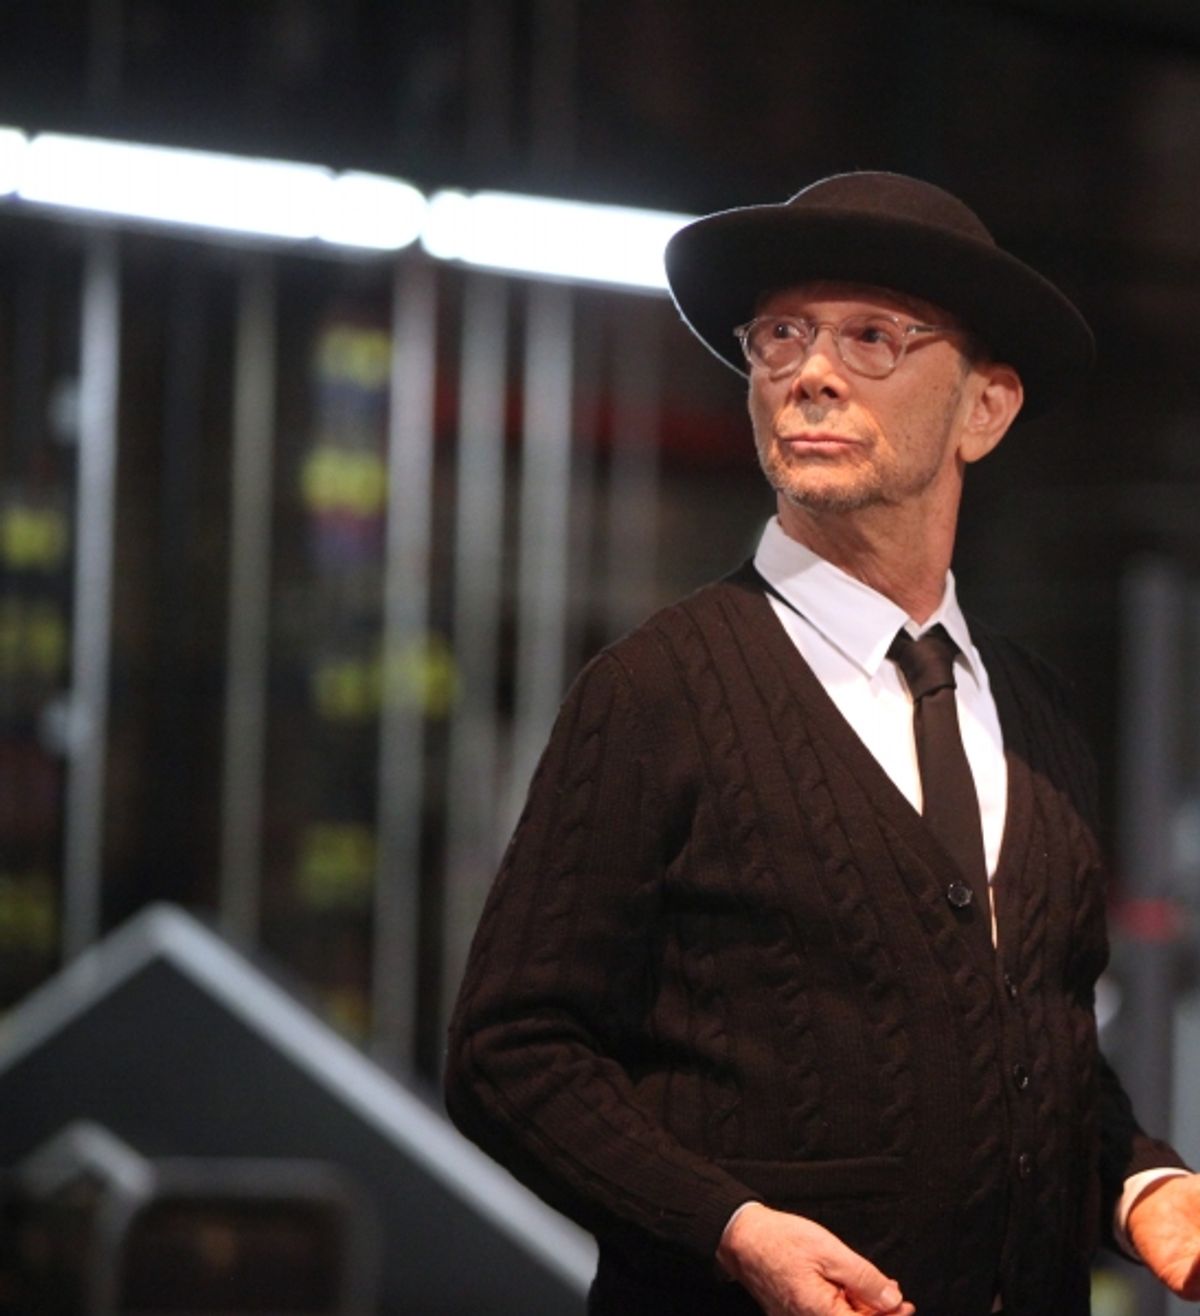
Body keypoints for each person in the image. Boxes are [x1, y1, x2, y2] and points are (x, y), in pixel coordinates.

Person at [443, 171, 1200, 1315]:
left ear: (984, 409)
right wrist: (729, 1228)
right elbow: (509, 1053)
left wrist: (1138, 1174)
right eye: (779, 335)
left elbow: (1023, 1041)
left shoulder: (1036, 713)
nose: (809, 371)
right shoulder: (657, 690)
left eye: (873, 337)